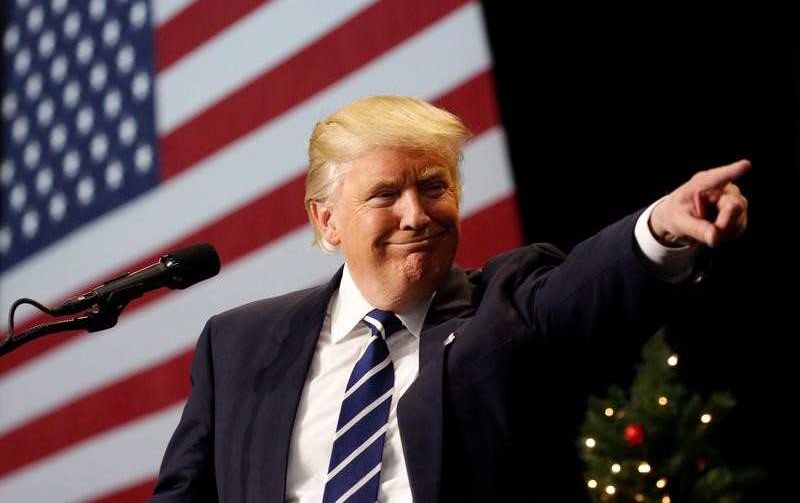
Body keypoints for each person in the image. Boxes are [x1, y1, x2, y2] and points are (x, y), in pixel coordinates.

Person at [150, 96, 750, 502]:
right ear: (327, 221)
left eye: (434, 186)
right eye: (385, 194)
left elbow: (583, 290)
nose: (416, 215)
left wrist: (660, 229)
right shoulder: (238, 345)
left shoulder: (509, 302)